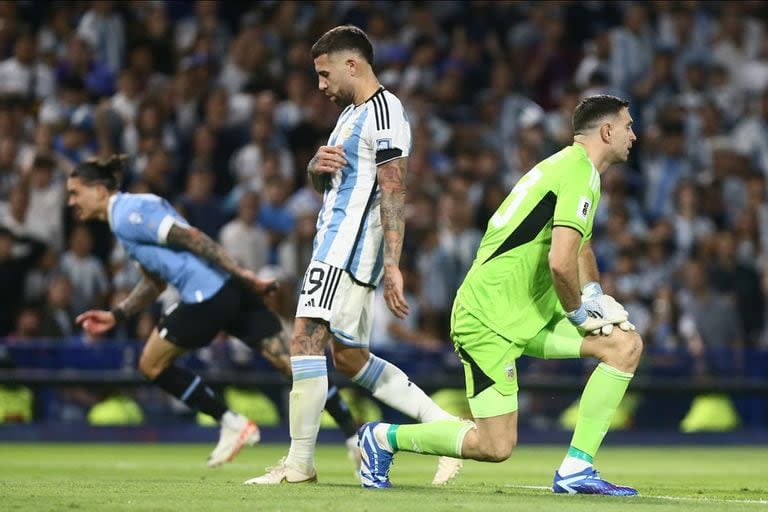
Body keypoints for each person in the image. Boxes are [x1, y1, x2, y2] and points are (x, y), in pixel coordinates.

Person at [357, 95, 644, 495]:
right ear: (607, 131)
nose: (634, 134)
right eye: (629, 126)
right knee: (495, 446)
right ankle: (383, 438)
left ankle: (577, 469)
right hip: (487, 320)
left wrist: (594, 291)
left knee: (623, 346)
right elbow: (561, 264)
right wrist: (580, 313)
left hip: (528, 313)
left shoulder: (574, 170)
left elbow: (580, 248)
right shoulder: (578, 172)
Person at [245, 25, 462, 486]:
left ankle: (299, 464)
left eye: (324, 75)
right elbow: (336, 183)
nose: (321, 86)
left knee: (304, 339)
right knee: (348, 358)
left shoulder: (386, 113)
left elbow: (393, 188)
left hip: (346, 250)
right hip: (336, 245)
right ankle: (450, 430)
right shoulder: (350, 115)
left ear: (352, 64)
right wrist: (313, 168)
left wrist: (392, 265)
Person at [67, 155, 361, 469]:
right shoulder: (127, 216)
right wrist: (117, 315)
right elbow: (155, 282)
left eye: (75, 193)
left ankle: (231, 423)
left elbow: (192, 237)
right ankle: (353, 436)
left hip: (206, 295)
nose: (71, 202)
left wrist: (243, 273)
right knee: (296, 366)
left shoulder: (128, 213)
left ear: (99, 190)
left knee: (151, 364)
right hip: (230, 291)